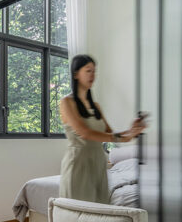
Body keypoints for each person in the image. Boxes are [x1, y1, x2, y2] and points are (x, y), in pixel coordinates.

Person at [58, 54, 145, 203]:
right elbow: (85, 133)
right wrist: (124, 137)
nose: (93, 75)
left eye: (94, 71)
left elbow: (109, 133)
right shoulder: (67, 102)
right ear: (75, 74)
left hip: (98, 162)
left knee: (99, 213)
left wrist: (131, 130)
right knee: (78, 215)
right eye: (88, 70)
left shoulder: (96, 106)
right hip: (79, 163)